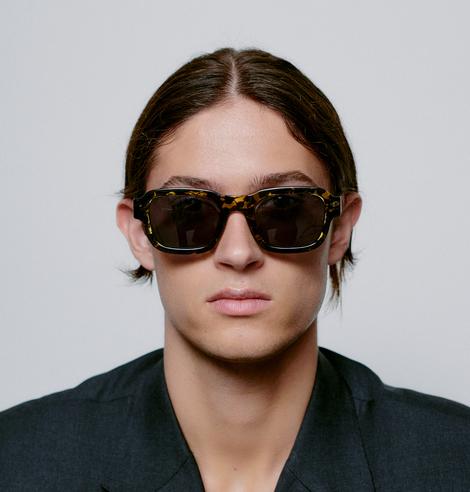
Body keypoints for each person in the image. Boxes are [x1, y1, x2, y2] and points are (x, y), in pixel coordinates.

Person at [0, 47, 469, 491]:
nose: (239, 253)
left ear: (340, 228)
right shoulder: (18, 461)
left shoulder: (454, 461)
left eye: (285, 208)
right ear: (140, 233)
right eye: (188, 210)